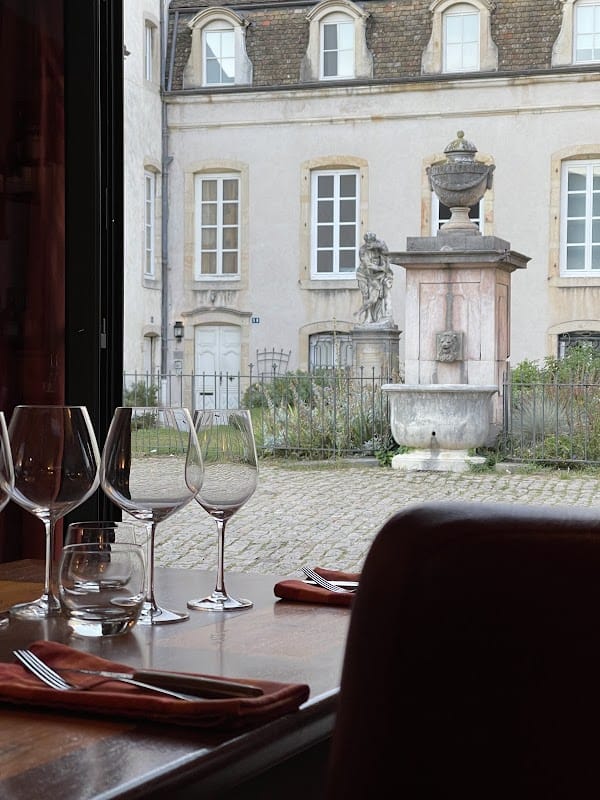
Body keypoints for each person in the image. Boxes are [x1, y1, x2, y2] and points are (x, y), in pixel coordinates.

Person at [356, 232, 393, 324]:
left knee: (378, 297)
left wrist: (380, 269)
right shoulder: (363, 250)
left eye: (370, 243)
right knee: (366, 294)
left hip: (378, 276)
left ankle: (378, 316)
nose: (368, 245)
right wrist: (378, 269)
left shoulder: (380, 247)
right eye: (367, 242)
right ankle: (367, 316)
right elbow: (367, 266)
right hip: (364, 275)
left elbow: (386, 265)